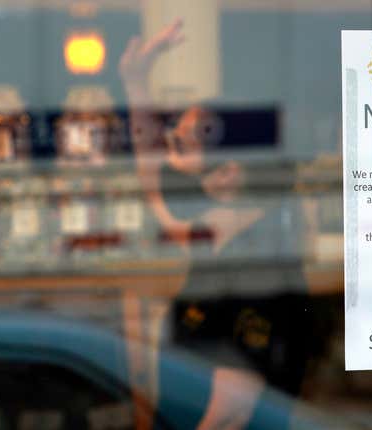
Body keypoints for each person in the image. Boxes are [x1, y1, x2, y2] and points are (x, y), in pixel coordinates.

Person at [120, 19, 312, 430]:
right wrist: (137, 84)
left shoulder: (258, 280)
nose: (168, 158)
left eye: (181, 147)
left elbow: (229, 415)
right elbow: (152, 177)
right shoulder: (215, 241)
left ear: (227, 175)